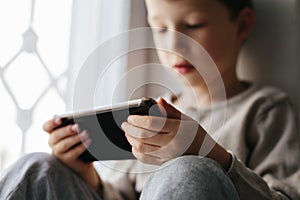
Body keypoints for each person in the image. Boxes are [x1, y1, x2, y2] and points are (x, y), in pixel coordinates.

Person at [1, 0, 300, 199]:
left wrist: (210, 155)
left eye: (193, 25)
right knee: (38, 166)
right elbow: (124, 195)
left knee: (187, 170)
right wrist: (85, 175)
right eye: (159, 29)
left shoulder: (264, 109)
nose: (173, 44)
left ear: (243, 25)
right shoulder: (151, 113)